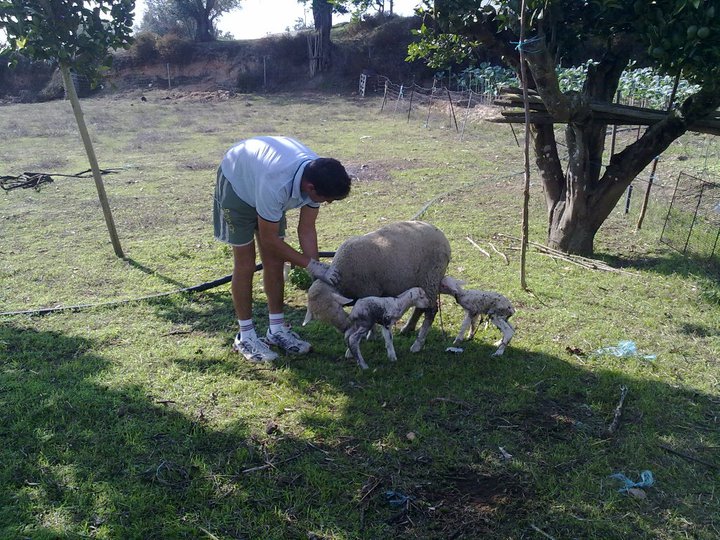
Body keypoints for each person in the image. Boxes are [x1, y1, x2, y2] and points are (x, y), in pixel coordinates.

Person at [213, 136, 351, 362]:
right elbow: (268, 240)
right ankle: (245, 335)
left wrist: (315, 270)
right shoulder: (276, 183)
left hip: (263, 181)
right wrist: (310, 265)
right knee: (246, 263)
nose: (327, 203)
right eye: (327, 199)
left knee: (275, 262)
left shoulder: (318, 174)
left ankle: (276, 330)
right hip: (237, 184)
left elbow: (306, 229)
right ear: (310, 188)